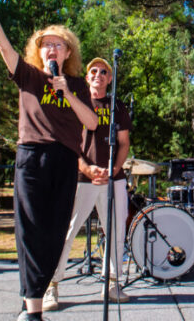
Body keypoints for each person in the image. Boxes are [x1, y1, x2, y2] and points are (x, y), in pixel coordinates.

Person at [0, 0, 98, 321]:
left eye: (58, 45)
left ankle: (33, 297)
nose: (51, 49)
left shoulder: (79, 85)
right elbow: (3, 46)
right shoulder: (28, 76)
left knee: (55, 232)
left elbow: (93, 123)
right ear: (38, 51)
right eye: (46, 45)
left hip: (65, 160)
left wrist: (67, 92)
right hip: (31, 158)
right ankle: (32, 310)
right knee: (30, 231)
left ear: (68, 52)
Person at [43, 57, 132, 311]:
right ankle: (52, 285)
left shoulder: (118, 106)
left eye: (104, 71)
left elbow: (124, 143)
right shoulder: (76, 102)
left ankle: (113, 283)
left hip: (112, 179)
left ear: (110, 78)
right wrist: (86, 167)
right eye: (94, 71)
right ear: (87, 77)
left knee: (115, 231)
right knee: (67, 232)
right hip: (82, 178)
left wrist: (114, 169)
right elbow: (70, 142)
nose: (99, 74)